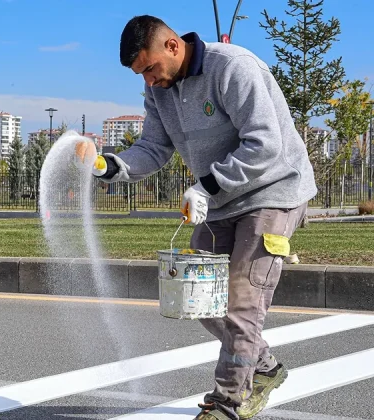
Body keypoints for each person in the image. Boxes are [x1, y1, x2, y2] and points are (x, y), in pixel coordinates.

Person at [74, 15, 317, 420]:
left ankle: (228, 403)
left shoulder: (233, 67)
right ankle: (265, 367)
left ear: (172, 46)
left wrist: (207, 185)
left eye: (150, 69)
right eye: (141, 75)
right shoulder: (159, 91)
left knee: (242, 299)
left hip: (273, 193)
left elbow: (265, 144)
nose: (149, 82)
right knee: (200, 298)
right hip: (221, 201)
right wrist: (106, 164)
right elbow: (153, 147)